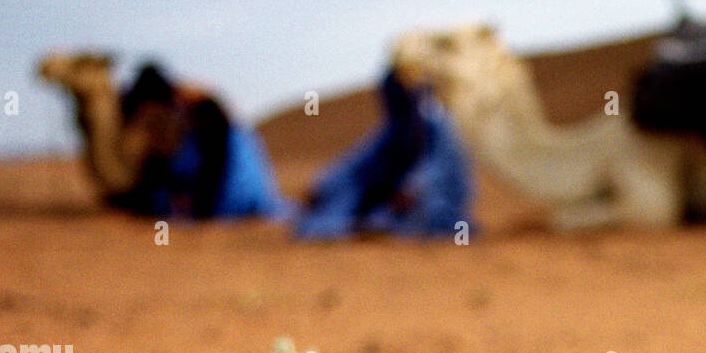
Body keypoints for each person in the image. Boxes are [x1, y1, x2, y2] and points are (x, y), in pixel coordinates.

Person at [295, 67, 472, 239]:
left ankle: (377, 226)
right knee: (345, 196)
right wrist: (324, 185)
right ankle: (351, 226)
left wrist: (413, 189)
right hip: (389, 202)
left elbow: (442, 170)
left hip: (433, 201)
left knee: (428, 212)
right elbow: (359, 164)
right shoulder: (394, 131)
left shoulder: (438, 128)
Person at [114, 62, 288, 220]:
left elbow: (215, 165)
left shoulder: (205, 114)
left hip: (233, 200)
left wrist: (198, 206)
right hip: (233, 197)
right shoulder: (187, 125)